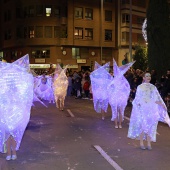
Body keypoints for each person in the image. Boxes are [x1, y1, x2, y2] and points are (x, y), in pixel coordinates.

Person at [0, 55, 34, 160]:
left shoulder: (19, 90)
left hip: (15, 114)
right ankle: (9, 152)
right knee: (7, 134)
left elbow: (26, 96)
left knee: (13, 133)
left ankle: (13, 151)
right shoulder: (3, 89)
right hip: (5, 114)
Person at [128, 72, 170, 150]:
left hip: (151, 109)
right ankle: (141, 143)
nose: (148, 77)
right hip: (143, 109)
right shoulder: (140, 87)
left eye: (149, 76)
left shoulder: (153, 87)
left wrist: (162, 104)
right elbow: (137, 99)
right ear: (143, 78)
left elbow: (156, 98)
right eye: (147, 76)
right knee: (143, 126)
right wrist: (139, 106)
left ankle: (148, 143)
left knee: (150, 126)